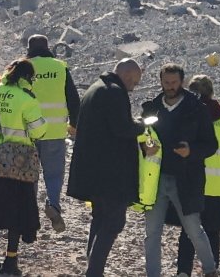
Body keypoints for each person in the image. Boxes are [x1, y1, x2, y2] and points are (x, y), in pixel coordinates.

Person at [67, 59, 152, 277]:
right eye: (134, 82)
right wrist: (143, 124)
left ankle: (93, 268)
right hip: (110, 174)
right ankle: (94, 271)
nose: (133, 87)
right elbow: (122, 128)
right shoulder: (114, 92)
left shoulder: (96, 88)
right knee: (114, 222)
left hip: (93, 171)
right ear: (127, 75)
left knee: (100, 219)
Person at [140, 64, 219, 277]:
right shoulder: (152, 108)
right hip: (155, 179)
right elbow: (142, 136)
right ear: (161, 81)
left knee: (194, 229)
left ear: (182, 82)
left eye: (174, 83)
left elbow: (211, 145)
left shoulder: (197, 108)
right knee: (152, 233)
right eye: (166, 82)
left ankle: (210, 270)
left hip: (187, 179)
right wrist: (146, 147)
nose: (170, 87)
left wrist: (190, 151)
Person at [0, 58, 47, 276]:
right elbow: (39, 131)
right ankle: (11, 261)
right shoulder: (26, 99)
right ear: (27, 78)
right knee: (16, 208)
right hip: (17, 161)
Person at [170, 74, 220, 277]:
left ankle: (183, 271)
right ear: (211, 92)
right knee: (212, 232)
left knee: (189, 231)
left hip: (193, 182)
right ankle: (211, 269)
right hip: (219, 185)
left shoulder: (188, 114)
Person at [24, 35, 80, 233]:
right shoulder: (59, 66)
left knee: (29, 175)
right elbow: (73, 98)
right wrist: (74, 124)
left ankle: (29, 214)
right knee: (54, 175)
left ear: (28, 48)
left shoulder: (23, 66)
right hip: (55, 131)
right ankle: (54, 205)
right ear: (48, 47)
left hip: (27, 132)